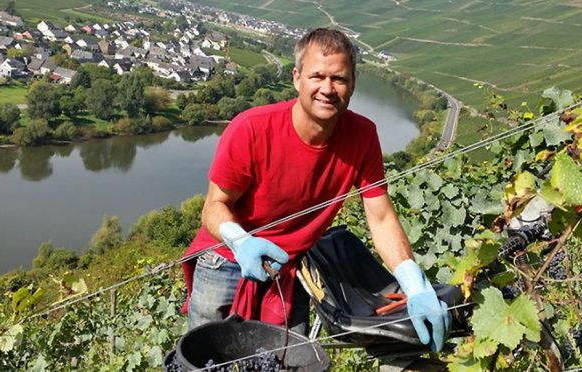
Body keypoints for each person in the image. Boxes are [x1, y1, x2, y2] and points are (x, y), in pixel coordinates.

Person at [181, 28, 451, 352]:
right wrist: (242, 243)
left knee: (284, 359)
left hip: (289, 269)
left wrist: (414, 282)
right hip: (226, 259)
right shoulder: (251, 128)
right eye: (317, 76)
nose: (327, 89)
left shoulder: (363, 136)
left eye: (339, 78)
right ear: (297, 78)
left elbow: (380, 219)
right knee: (207, 358)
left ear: (353, 84)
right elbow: (214, 205)